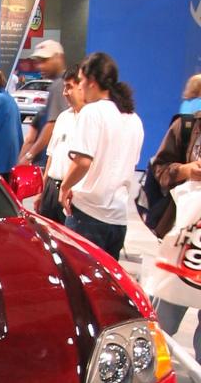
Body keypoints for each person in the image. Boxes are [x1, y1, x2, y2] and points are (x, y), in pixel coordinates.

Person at [59, 52, 144, 260]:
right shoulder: (133, 118)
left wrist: (65, 187)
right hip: (118, 220)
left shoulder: (92, 112)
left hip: (88, 216)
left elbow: (82, 161)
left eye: (81, 81)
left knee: (76, 275)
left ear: (92, 82)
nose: (80, 87)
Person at [150, 110, 201, 363]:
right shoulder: (188, 126)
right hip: (183, 239)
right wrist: (185, 170)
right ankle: (150, 374)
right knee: (162, 322)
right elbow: (159, 168)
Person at [32, 65, 85, 224]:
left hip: (72, 192)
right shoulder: (63, 117)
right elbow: (51, 156)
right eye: (64, 87)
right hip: (51, 189)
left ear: (82, 86)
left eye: (69, 87)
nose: (64, 93)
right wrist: (41, 191)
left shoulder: (90, 120)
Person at [22, 39, 68, 162]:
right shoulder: (60, 83)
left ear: (59, 58)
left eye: (45, 61)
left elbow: (52, 125)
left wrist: (28, 156)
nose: (40, 66)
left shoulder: (60, 85)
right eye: (38, 62)